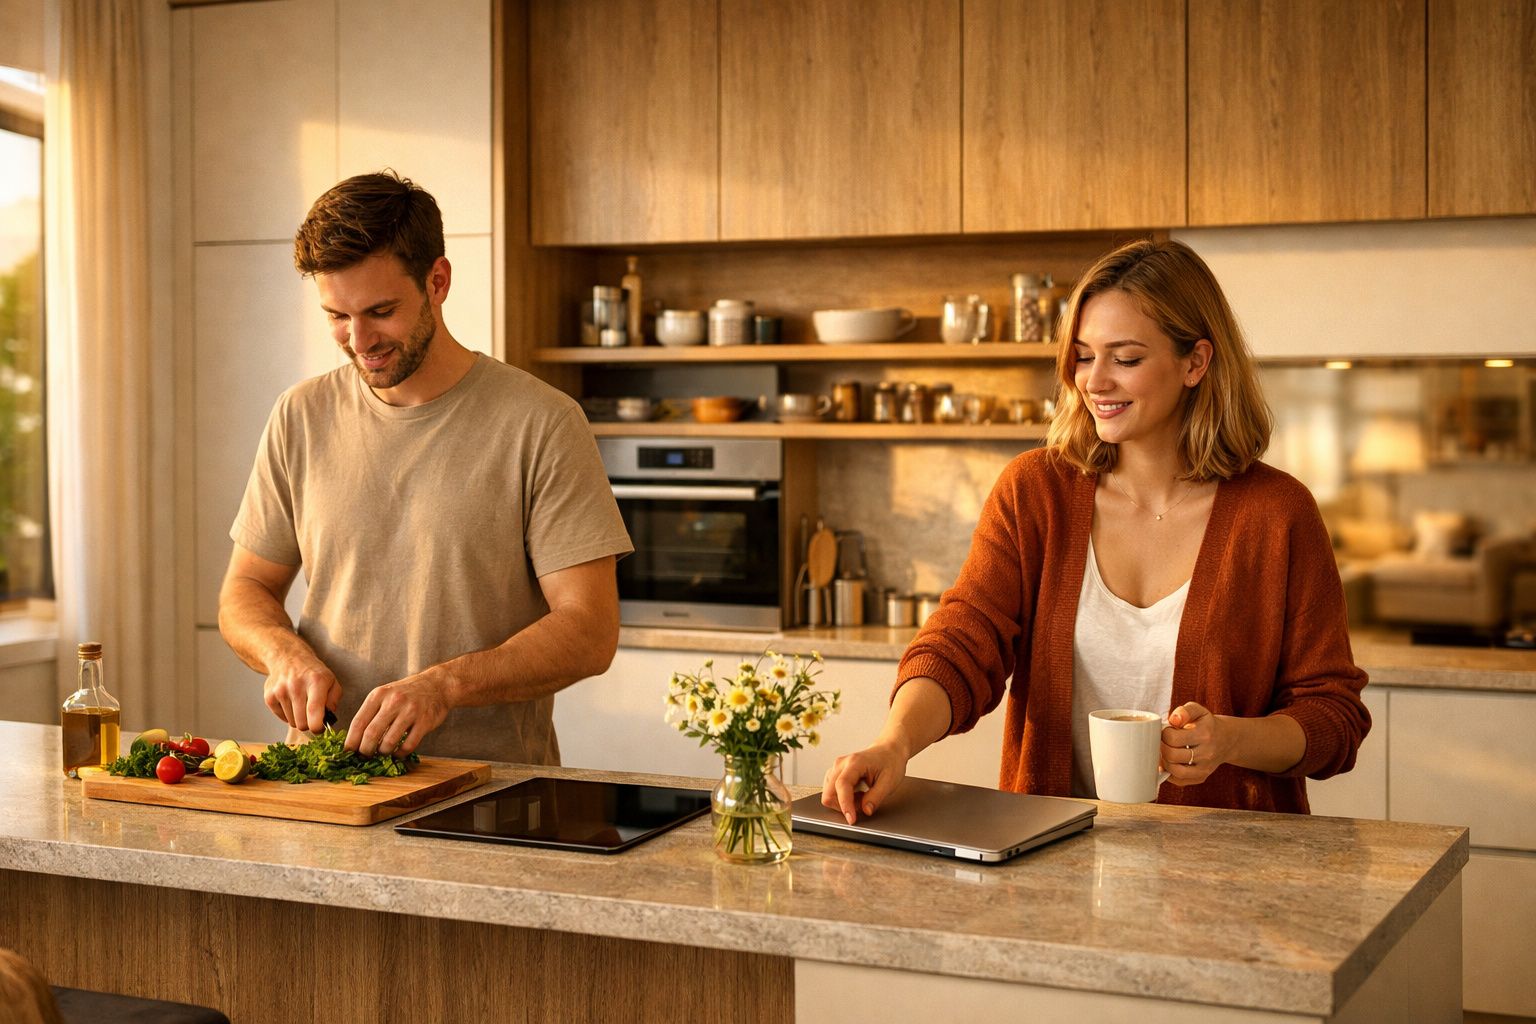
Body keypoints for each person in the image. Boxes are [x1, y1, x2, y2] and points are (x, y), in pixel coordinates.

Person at [823, 238, 1369, 821]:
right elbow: (963, 639)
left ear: (1196, 362)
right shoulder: (1036, 492)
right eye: (1083, 356)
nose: (1094, 381)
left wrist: (1230, 741)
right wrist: (896, 742)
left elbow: (1333, 715)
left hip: (1229, 867)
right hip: (1052, 856)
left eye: (1126, 358)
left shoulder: (1279, 513)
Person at [218, 170, 632, 763]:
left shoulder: (541, 422)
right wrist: (282, 653)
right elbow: (246, 589)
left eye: (380, 311)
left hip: (490, 794)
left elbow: (590, 631)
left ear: (437, 281)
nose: (358, 339)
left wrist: (443, 687)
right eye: (337, 315)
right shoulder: (300, 415)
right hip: (327, 781)